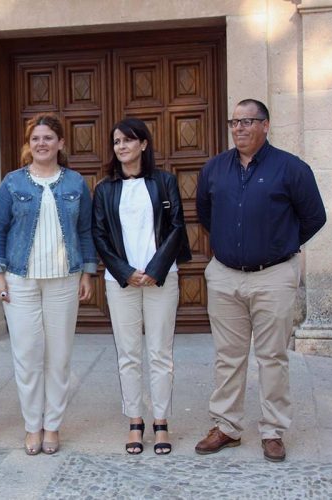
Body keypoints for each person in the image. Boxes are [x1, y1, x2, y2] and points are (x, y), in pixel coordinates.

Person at [195, 99, 326, 462]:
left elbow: (314, 217)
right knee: (228, 357)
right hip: (224, 276)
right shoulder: (214, 169)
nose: (239, 128)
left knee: (272, 357)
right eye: (234, 122)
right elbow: (205, 213)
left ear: (265, 125)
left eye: (247, 121)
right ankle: (226, 426)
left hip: (274, 275)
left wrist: (278, 242)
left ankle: (272, 430)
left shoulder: (291, 168)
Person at [0, 113, 97, 455]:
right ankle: (32, 426)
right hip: (21, 280)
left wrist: (88, 272)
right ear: (28, 144)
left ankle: (52, 427)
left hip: (64, 280)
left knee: (59, 357)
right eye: (36, 138)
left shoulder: (75, 183)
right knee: (27, 356)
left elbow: (85, 231)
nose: (42, 143)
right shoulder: (12, 183)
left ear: (61, 143)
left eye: (48, 138)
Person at [92, 118, 191, 455]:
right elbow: (99, 235)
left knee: (161, 353)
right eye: (117, 141)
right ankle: (135, 421)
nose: (121, 146)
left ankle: (161, 422)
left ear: (144, 145)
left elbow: (178, 226)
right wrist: (125, 271)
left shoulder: (164, 182)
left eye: (128, 140)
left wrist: (154, 269)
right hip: (121, 282)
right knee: (128, 355)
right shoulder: (105, 189)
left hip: (161, 278)